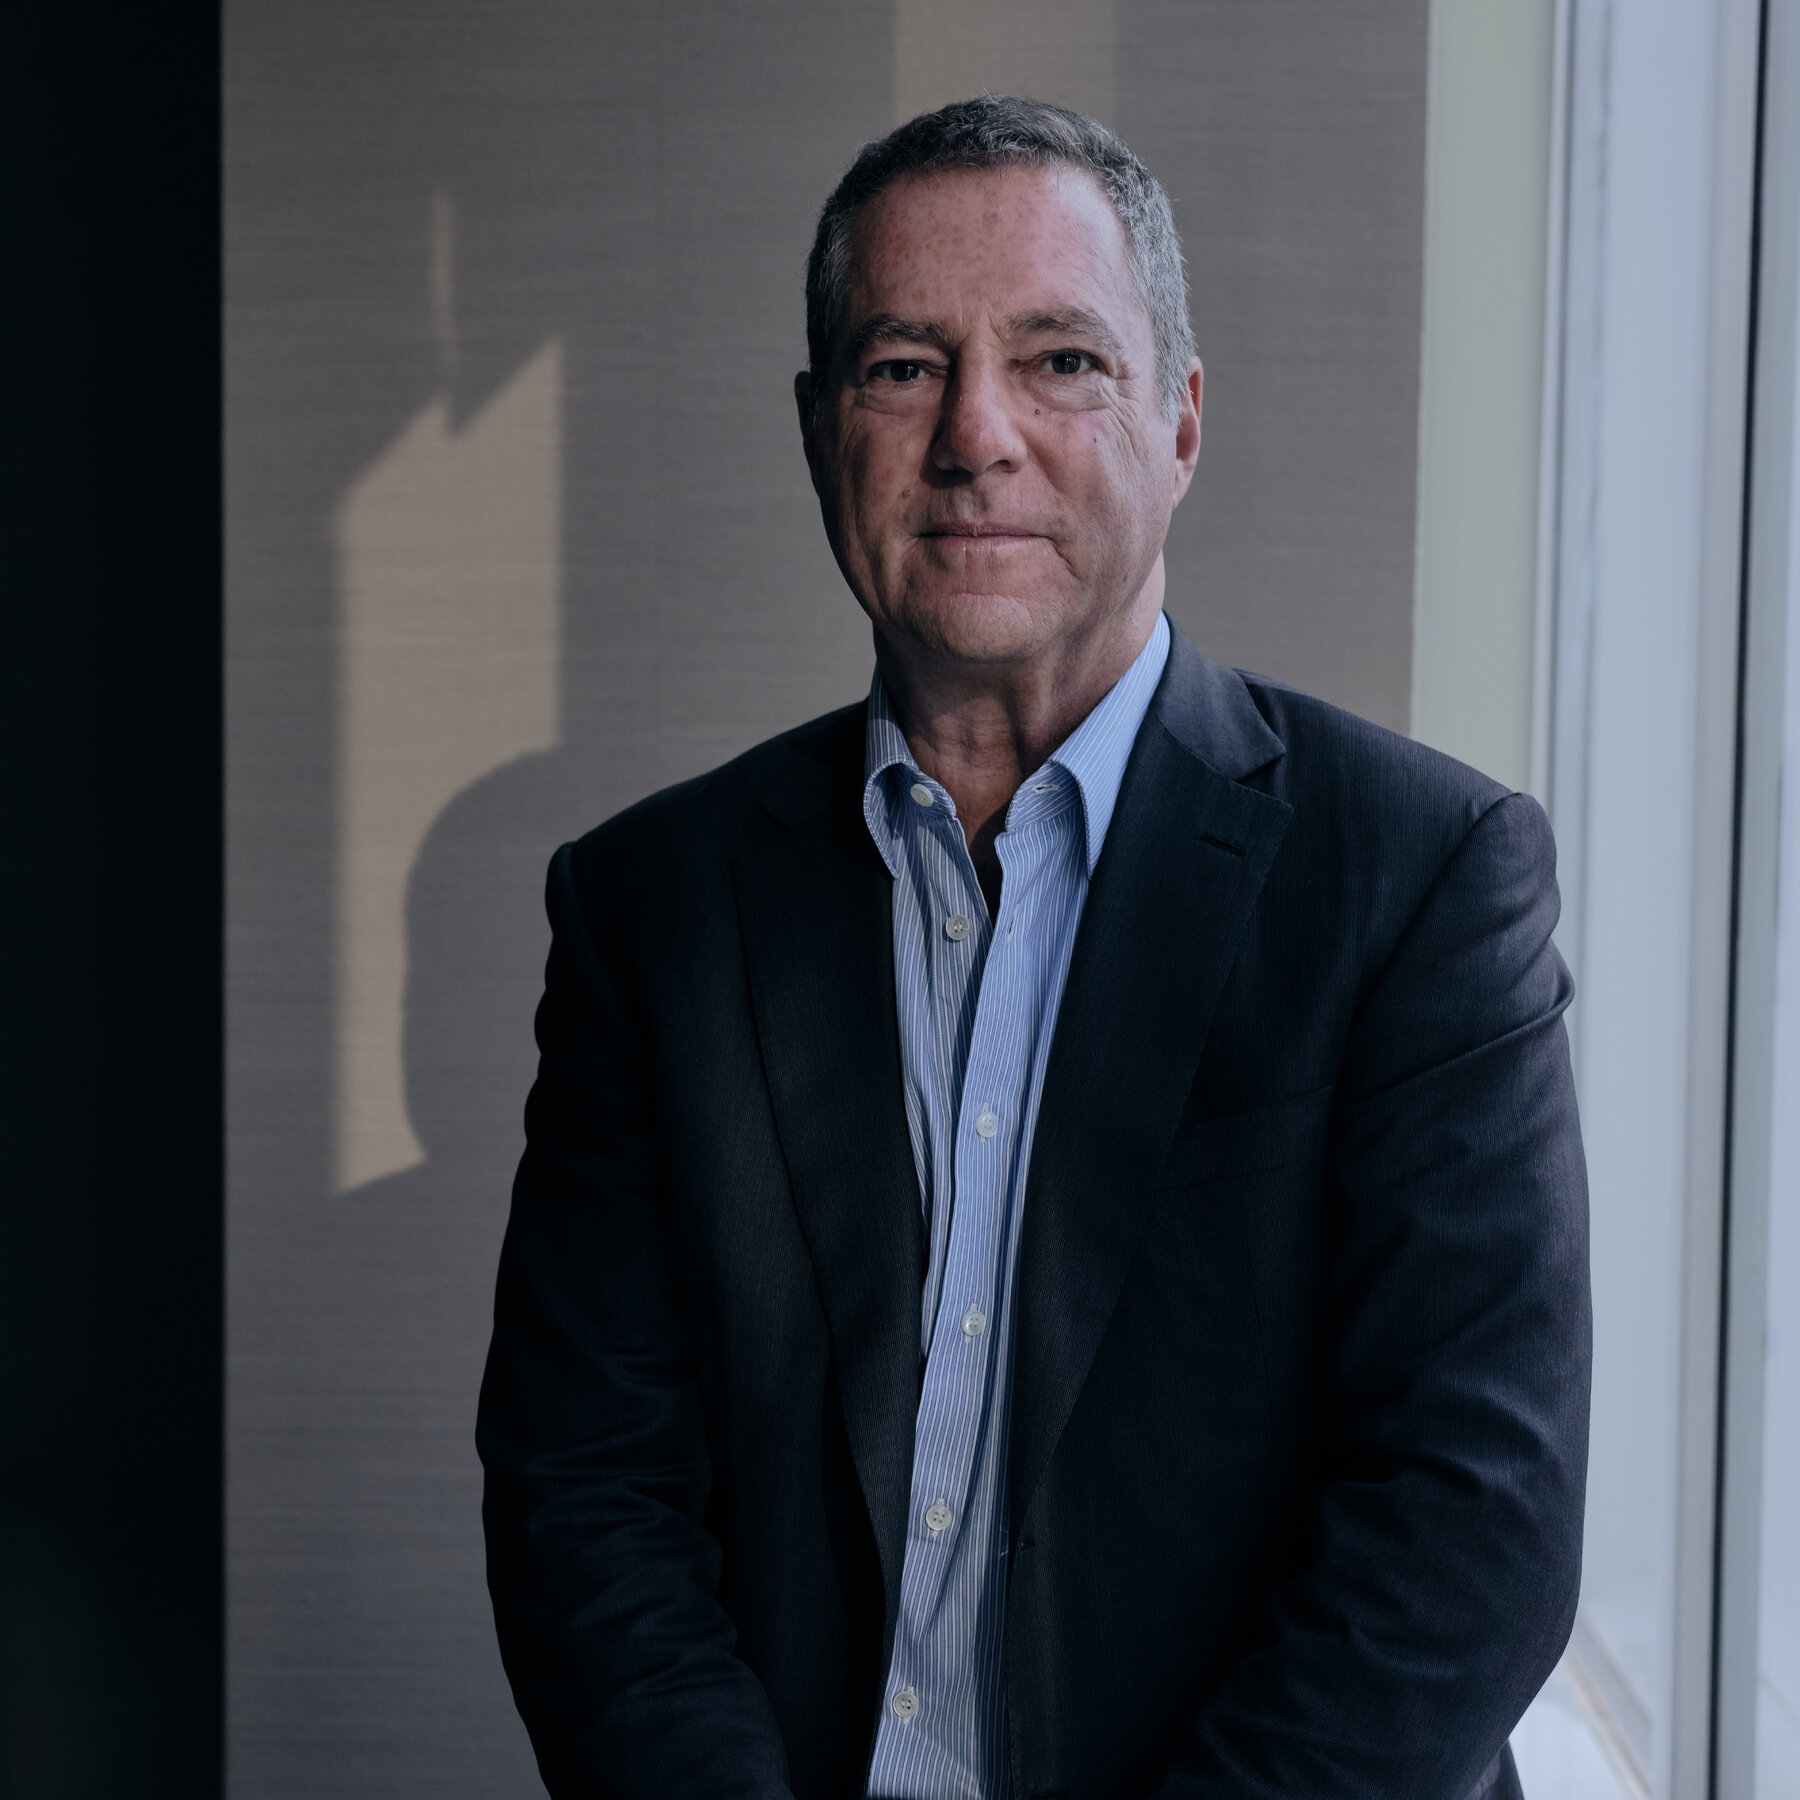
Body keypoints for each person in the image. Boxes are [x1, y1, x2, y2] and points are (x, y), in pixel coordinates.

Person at [475, 96, 1590, 1800]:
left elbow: (1469, 1529)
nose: (975, 435)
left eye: (1061, 361)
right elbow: (586, 1496)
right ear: (818, 431)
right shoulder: (649, 911)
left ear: (1180, 423)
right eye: (902, 365)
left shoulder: (1425, 880)